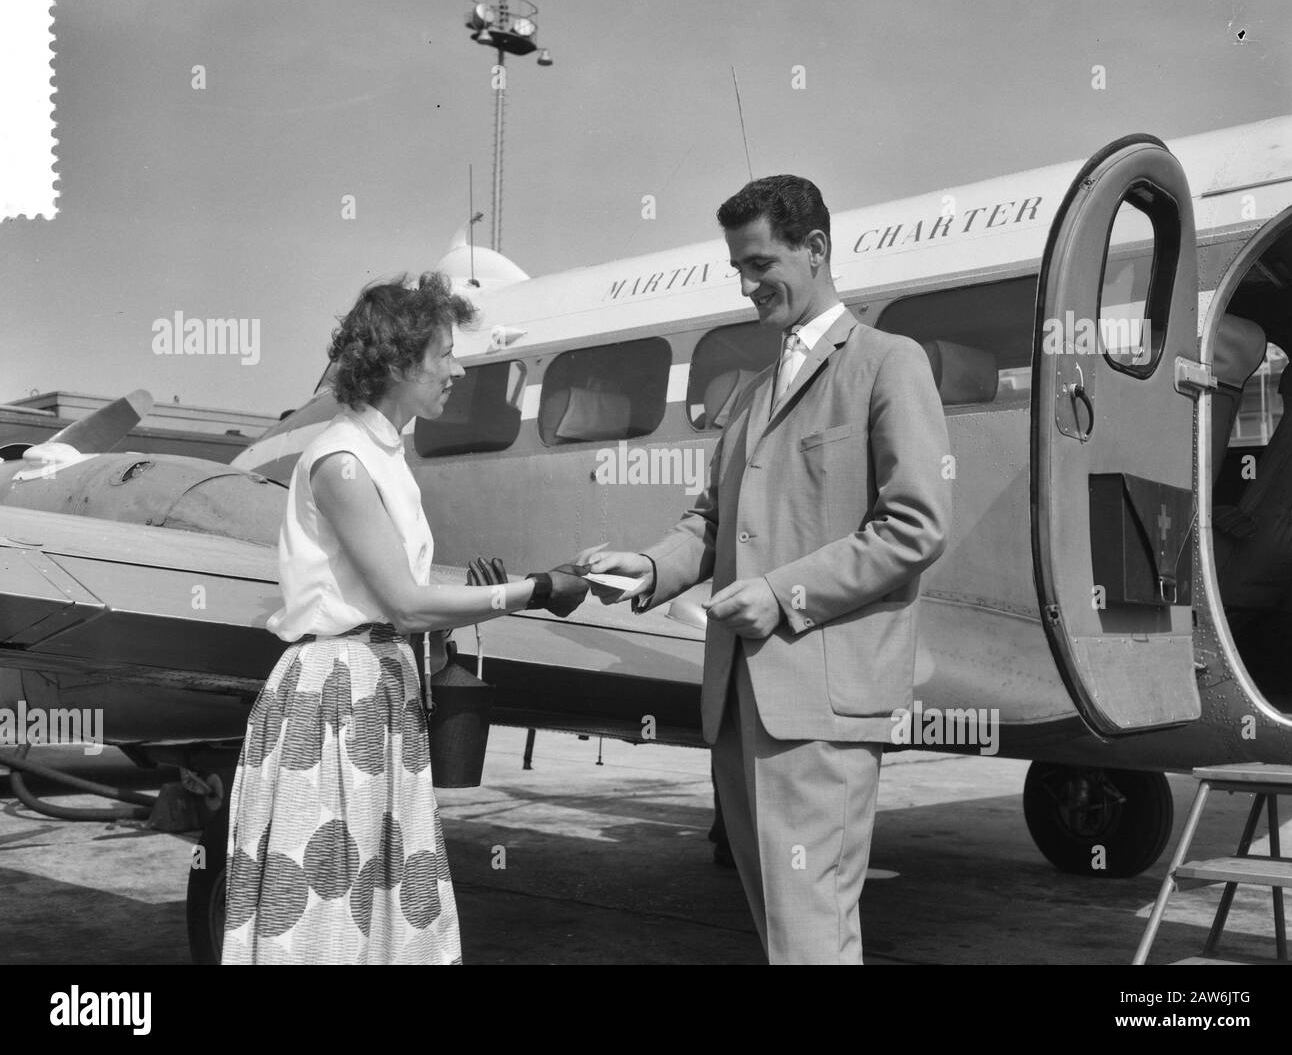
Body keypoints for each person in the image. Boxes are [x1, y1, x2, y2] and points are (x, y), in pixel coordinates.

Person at [579, 175, 951, 964]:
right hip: (740, 702)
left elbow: (915, 527)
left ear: (815, 249)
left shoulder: (888, 363)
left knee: (810, 933)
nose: (747, 287)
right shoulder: (751, 392)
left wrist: (782, 595)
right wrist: (648, 567)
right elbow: (709, 523)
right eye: (738, 269)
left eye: (759, 264)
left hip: (821, 704)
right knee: (786, 934)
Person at [222, 272, 586, 965]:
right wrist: (532, 589)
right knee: (326, 911)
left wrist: (476, 605)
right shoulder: (341, 459)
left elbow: (406, 611)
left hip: (377, 690)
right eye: (442, 353)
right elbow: (404, 601)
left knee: (375, 907)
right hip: (334, 699)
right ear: (395, 360)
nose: (457, 368)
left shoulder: (385, 458)